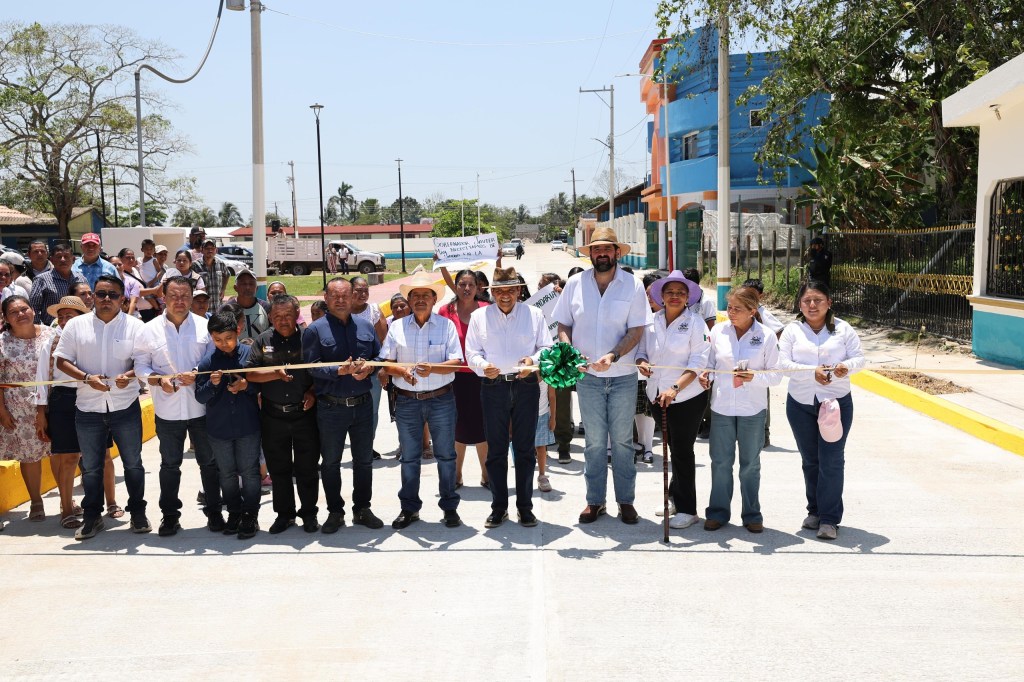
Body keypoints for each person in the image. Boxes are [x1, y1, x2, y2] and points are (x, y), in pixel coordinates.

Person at [552, 228, 649, 525]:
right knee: (594, 442)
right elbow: (563, 325)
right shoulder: (574, 284)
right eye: (597, 250)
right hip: (588, 377)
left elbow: (636, 331)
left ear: (618, 252)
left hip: (622, 375)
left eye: (607, 249)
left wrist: (614, 355)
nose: (602, 254)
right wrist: (570, 352)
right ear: (590, 254)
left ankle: (625, 502)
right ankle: (595, 501)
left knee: (621, 441)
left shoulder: (632, 286)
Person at [54, 275, 150, 540]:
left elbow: (143, 361)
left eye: (113, 294)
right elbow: (61, 361)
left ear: (122, 298)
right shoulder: (76, 326)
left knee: (133, 464)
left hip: (125, 406)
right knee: (92, 467)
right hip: (88, 408)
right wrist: (86, 378)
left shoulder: (135, 326)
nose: (107, 299)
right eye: (101, 293)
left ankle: (138, 513)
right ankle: (92, 517)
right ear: (93, 296)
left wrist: (129, 375)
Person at [133, 275, 224, 537]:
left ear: (192, 297)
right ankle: (170, 516)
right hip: (167, 410)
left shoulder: (205, 327)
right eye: (174, 295)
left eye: (185, 295)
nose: (180, 301)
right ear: (163, 296)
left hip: (201, 409)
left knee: (209, 463)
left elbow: (213, 358)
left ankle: (215, 511)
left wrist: (197, 373)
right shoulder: (148, 330)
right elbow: (140, 364)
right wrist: (158, 380)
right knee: (170, 465)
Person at [465, 266, 551, 527]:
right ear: (492, 292)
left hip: (525, 386)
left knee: (525, 450)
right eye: (499, 291)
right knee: (496, 450)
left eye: (510, 290)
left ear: (518, 291)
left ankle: (525, 508)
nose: (505, 296)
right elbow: (472, 352)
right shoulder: (480, 316)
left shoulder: (534, 314)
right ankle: (498, 507)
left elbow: (546, 347)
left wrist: (532, 359)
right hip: (493, 388)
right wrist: (482, 366)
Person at [378, 269, 464, 530]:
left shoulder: (446, 326)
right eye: (415, 295)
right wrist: (402, 371)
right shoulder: (397, 327)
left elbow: (456, 363)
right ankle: (409, 509)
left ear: (434, 299)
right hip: (406, 401)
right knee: (409, 457)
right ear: (410, 299)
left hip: (441, 400)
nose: (420, 300)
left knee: (446, 456)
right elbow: (386, 364)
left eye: (426, 295)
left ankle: (449, 507)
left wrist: (433, 368)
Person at [779, 281, 864, 540]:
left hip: (835, 404)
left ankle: (829, 519)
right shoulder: (792, 331)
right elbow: (782, 364)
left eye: (818, 300)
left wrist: (845, 367)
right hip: (800, 404)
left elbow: (859, 358)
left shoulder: (843, 329)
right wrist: (810, 372)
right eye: (807, 301)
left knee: (832, 460)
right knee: (810, 460)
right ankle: (814, 510)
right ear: (799, 305)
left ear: (829, 302)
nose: (812, 305)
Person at [302, 277, 384, 534]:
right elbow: (310, 368)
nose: (340, 300)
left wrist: (370, 368)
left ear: (352, 298)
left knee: (363, 461)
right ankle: (335, 512)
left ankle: (362, 508)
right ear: (326, 298)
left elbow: (379, 357)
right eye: (334, 296)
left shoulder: (366, 327)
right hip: (331, 408)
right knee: (331, 463)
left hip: (362, 405)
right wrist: (338, 370)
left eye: (345, 296)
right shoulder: (315, 330)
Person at [699, 286, 781, 533]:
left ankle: (752, 514)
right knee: (720, 462)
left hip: (752, 409)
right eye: (729, 307)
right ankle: (718, 512)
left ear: (752, 310)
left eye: (737, 309)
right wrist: (706, 375)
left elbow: (776, 376)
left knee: (750, 465)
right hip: (722, 406)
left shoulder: (766, 336)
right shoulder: (718, 332)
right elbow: (710, 364)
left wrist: (752, 377)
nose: (731, 313)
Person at [637, 271, 711, 529]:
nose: (675, 296)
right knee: (671, 447)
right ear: (661, 296)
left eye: (681, 293)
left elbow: (698, 361)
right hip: (656, 394)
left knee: (682, 450)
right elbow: (642, 351)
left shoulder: (696, 323)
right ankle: (673, 498)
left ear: (688, 297)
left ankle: (688, 509)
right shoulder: (652, 321)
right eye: (670, 292)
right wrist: (642, 363)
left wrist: (675, 389)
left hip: (687, 397)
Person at [248, 294, 320, 533]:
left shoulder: (309, 339)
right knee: (279, 469)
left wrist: (312, 392)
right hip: (273, 415)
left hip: (304, 415)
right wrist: (274, 374)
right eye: (277, 316)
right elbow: (250, 375)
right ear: (270, 317)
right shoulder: (262, 340)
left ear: (296, 313)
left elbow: (322, 373)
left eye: (288, 315)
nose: (283, 321)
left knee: (307, 468)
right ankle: (284, 514)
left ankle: (309, 514)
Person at [195, 311, 261, 539]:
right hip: (219, 430)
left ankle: (251, 515)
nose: (224, 344)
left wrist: (247, 386)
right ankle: (234, 512)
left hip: (247, 427)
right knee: (227, 474)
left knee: (250, 472)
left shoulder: (250, 355)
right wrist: (212, 385)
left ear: (238, 332)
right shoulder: (207, 362)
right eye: (218, 340)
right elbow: (200, 397)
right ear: (211, 338)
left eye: (228, 338)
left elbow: (262, 387)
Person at [34, 296, 92, 529]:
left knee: (96, 457)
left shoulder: (91, 339)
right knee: (67, 457)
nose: (64, 320)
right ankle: (66, 508)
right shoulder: (51, 342)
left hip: (90, 397)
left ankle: (99, 503)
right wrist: (41, 412)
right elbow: (41, 377)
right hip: (62, 400)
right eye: (61, 316)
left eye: (70, 316)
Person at [0, 295, 56, 524]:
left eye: (24, 309)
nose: (21, 314)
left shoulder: (50, 334)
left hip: (54, 404)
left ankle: (66, 500)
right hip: (18, 409)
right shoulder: (2, 342)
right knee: (30, 456)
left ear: (33, 310)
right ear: (5, 318)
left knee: (60, 454)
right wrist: (2, 411)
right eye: (14, 312)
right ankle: (36, 501)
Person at [437, 269, 490, 489]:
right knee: (456, 428)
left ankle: (487, 476)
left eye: (471, 284)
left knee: (482, 428)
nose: (466, 289)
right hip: (454, 380)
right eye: (462, 284)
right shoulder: (445, 311)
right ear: (455, 286)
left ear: (478, 287)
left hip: (483, 378)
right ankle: (456, 475)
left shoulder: (488, 310)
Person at [743, 278, 784, 446]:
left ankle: (764, 432)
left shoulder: (764, 313)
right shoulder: (741, 310)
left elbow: (779, 330)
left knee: (762, 399)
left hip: (760, 366)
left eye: (752, 294)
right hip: (743, 365)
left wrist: (769, 348)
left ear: (761, 295)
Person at [350, 275, 388, 459]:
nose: (362, 293)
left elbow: (383, 342)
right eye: (358, 290)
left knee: (371, 411)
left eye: (365, 290)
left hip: (371, 371)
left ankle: (366, 447)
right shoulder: (341, 311)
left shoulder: (373, 310)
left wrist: (381, 367)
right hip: (346, 372)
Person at [29, 242, 86, 325]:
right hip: (51, 329)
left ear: (73, 259)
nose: (63, 260)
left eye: (66, 256)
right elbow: (34, 307)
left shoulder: (81, 279)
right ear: (51, 260)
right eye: (59, 257)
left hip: (79, 326)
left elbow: (88, 303)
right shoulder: (41, 280)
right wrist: (39, 328)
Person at [226, 270, 269, 341]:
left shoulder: (266, 307)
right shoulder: (226, 309)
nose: (248, 287)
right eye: (243, 284)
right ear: (235, 288)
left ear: (257, 288)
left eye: (251, 284)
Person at [137, 242, 167, 322]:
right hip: (146, 285)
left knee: (159, 297)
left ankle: (159, 308)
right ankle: (158, 308)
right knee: (147, 296)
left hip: (154, 284)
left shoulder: (154, 261)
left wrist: (152, 282)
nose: (149, 251)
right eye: (146, 249)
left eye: (151, 249)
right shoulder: (139, 260)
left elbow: (159, 271)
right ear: (142, 249)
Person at [196, 239, 230, 307]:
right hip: (202, 307)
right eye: (207, 248)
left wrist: (223, 289)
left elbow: (227, 274)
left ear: (216, 250)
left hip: (217, 306)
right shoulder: (195, 265)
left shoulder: (221, 264)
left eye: (212, 248)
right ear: (202, 250)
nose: (210, 250)